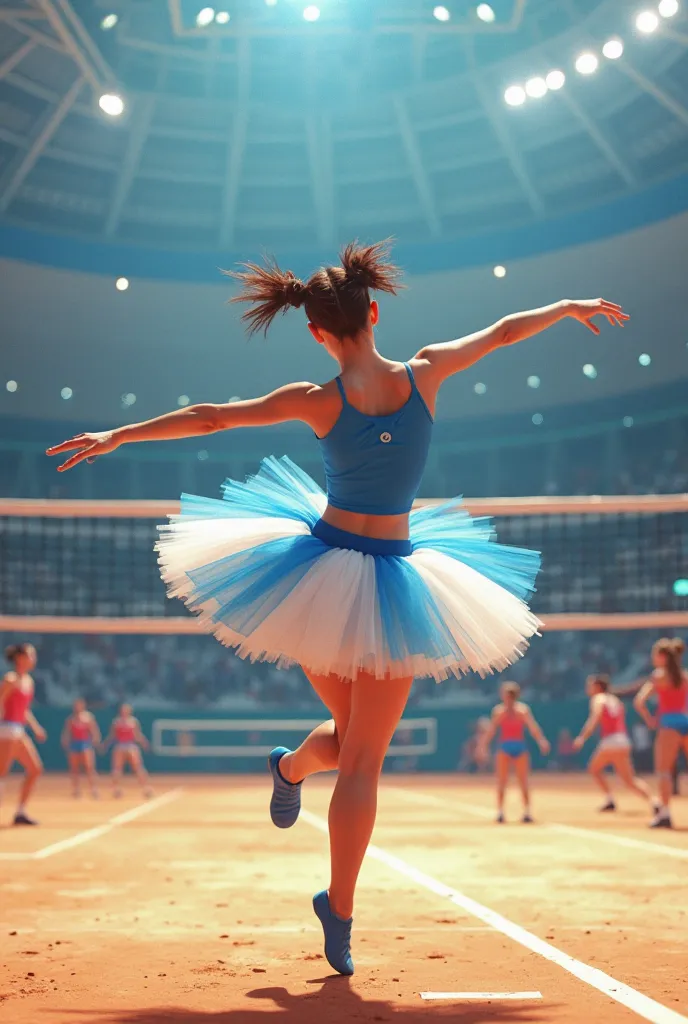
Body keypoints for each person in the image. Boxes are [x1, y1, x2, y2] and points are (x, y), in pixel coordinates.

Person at [47, 239, 627, 975]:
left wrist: (118, 435)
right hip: (330, 579)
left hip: (362, 576)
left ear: (317, 331)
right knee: (363, 758)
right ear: (375, 311)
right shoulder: (425, 370)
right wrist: (570, 306)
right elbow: (507, 330)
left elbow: (209, 417)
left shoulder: (319, 397)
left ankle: (292, 772)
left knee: (357, 747)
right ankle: (340, 905)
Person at [573, 674, 655, 813]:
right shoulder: (615, 700)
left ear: (598, 687)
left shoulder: (598, 699)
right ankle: (655, 802)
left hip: (610, 742)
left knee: (594, 769)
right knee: (629, 780)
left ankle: (610, 799)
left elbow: (595, 718)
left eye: (590, 685)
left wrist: (582, 737)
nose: (588, 688)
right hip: (623, 741)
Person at [634, 638, 688, 829]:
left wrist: (650, 719)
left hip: (668, 724)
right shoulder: (684, 676)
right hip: (685, 720)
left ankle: (664, 814)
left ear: (663, 656)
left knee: (664, 771)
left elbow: (639, 701)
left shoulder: (659, 676)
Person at [478, 681, 550, 823]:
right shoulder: (499, 712)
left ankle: (527, 811)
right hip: (505, 747)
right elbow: (492, 730)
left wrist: (541, 740)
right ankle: (500, 811)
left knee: (523, 780)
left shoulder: (522, 711)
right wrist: (483, 745)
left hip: (519, 746)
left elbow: (532, 727)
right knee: (502, 781)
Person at [0, 643, 46, 826]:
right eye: (30, 655)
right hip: (7, 730)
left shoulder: (29, 681)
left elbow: (24, 710)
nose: (33, 659)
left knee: (35, 769)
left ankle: (20, 812)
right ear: (20, 658)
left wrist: (35, 728)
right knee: (1, 773)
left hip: (18, 730)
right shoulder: (11, 679)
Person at [100, 704, 153, 799]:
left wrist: (144, 743)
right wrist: (105, 745)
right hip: (121, 746)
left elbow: (137, 735)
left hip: (130, 746)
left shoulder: (133, 721)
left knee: (138, 767)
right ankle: (116, 789)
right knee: (117, 769)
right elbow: (112, 735)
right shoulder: (117, 722)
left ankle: (145, 788)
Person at [61, 699, 101, 799]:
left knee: (89, 767)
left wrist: (95, 740)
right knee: (74, 768)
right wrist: (65, 741)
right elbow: (67, 732)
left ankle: (93, 789)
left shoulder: (88, 717)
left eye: (79, 705)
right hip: (74, 744)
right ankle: (76, 790)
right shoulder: (71, 719)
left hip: (85, 744)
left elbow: (94, 730)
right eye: (76, 705)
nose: (77, 707)